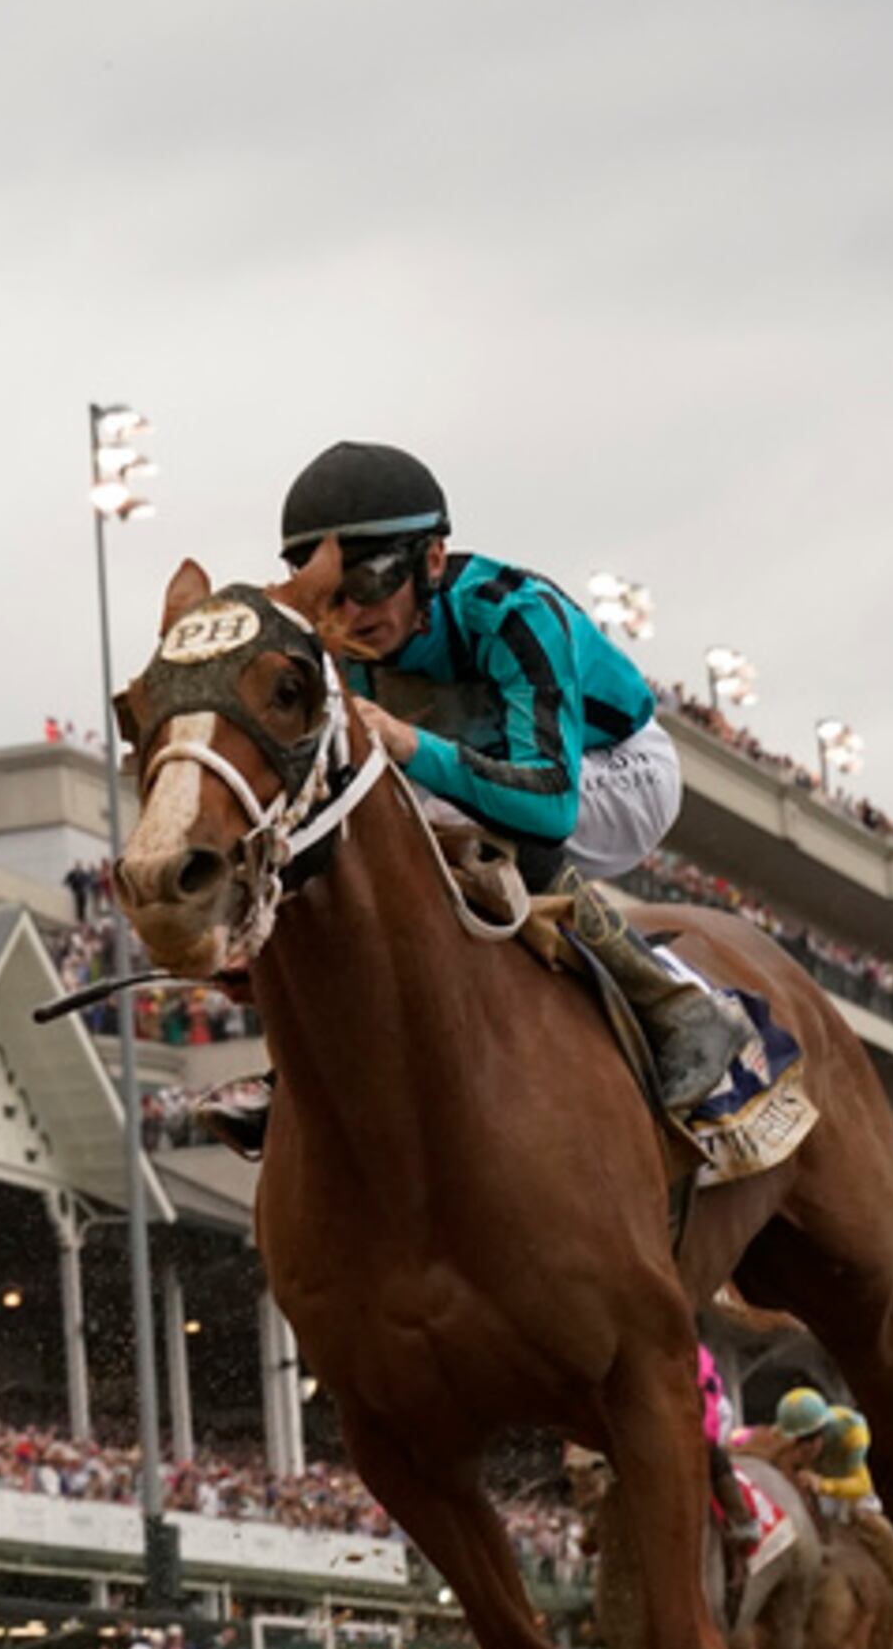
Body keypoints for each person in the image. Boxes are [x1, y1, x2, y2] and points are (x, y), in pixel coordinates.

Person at [208, 443, 747, 1156]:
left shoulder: (517, 614)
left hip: (613, 769)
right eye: (327, 589)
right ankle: (300, 1070)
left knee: (450, 822)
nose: (349, 611)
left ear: (432, 560)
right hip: (485, 774)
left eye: (370, 578)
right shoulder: (335, 644)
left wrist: (408, 746)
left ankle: (678, 1009)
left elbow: (550, 805)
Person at [763, 1388, 892, 1545]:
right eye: (794, 1442)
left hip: (854, 1477)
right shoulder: (788, 1431)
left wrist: (823, 1485)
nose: (799, 1450)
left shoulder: (853, 1434)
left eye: (805, 1443)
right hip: (824, 1474)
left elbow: (863, 1485)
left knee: (866, 1516)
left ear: (819, 1434)